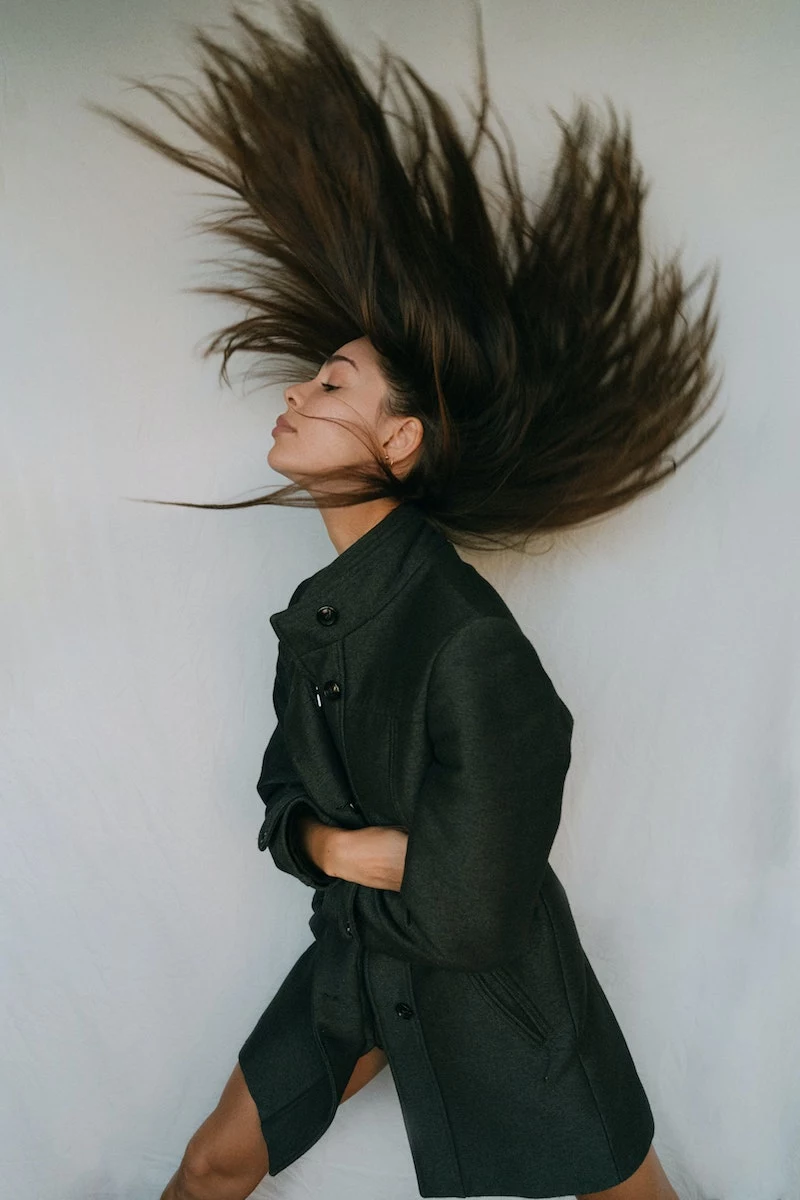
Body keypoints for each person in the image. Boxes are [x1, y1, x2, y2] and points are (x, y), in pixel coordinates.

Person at [86, 2, 723, 1196]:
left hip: (502, 1003)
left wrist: (396, 861)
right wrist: (341, 845)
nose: (293, 393)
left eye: (330, 383)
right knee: (213, 1164)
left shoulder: (467, 640)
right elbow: (283, 801)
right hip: (353, 966)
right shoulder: (318, 613)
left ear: (399, 442)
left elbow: (477, 905)